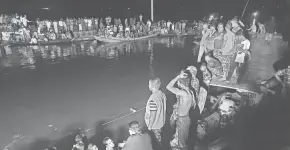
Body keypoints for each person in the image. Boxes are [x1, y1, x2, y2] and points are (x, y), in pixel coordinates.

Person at [166, 71, 195, 150]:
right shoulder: (190, 91)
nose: (177, 84)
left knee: (182, 143)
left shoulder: (183, 93)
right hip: (185, 117)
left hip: (183, 120)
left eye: (178, 82)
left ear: (180, 83)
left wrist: (178, 76)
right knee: (181, 138)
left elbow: (168, 87)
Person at [145, 78, 167, 145]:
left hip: (155, 126)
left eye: (149, 84)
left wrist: (149, 127)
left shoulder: (153, 99)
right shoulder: (162, 94)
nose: (148, 86)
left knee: (157, 142)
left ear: (152, 86)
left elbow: (153, 116)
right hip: (161, 122)